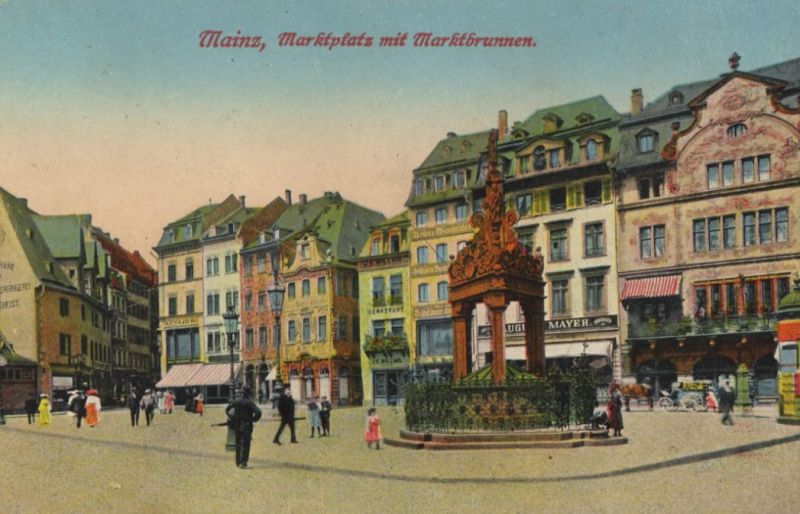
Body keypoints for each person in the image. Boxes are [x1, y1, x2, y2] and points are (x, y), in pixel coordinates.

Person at [226, 385, 262, 469]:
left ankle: (238, 462)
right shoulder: (250, 402)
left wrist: (232, 418)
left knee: (238, 443)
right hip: (246, 425)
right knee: (246, 444)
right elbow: (259, 413)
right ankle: (243, 463)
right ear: (249, 393)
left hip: (237, 425)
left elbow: (227, 409)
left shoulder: (237, 401)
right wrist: (253, 419)